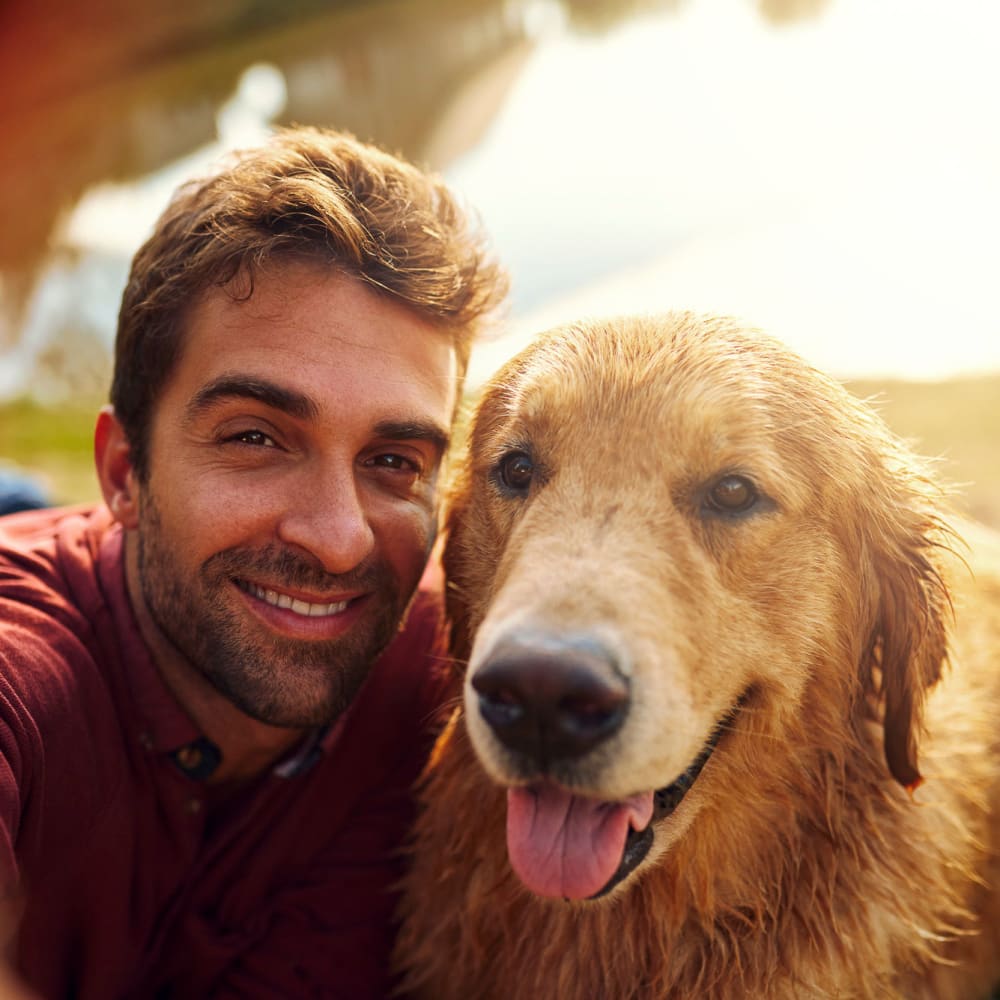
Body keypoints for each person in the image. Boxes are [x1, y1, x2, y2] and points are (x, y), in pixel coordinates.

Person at [0, 126, 506, 999]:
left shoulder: (443, 674)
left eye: (394, 462)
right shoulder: (28, 672)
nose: (340, 538)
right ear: (125, 471)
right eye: (256, 437)